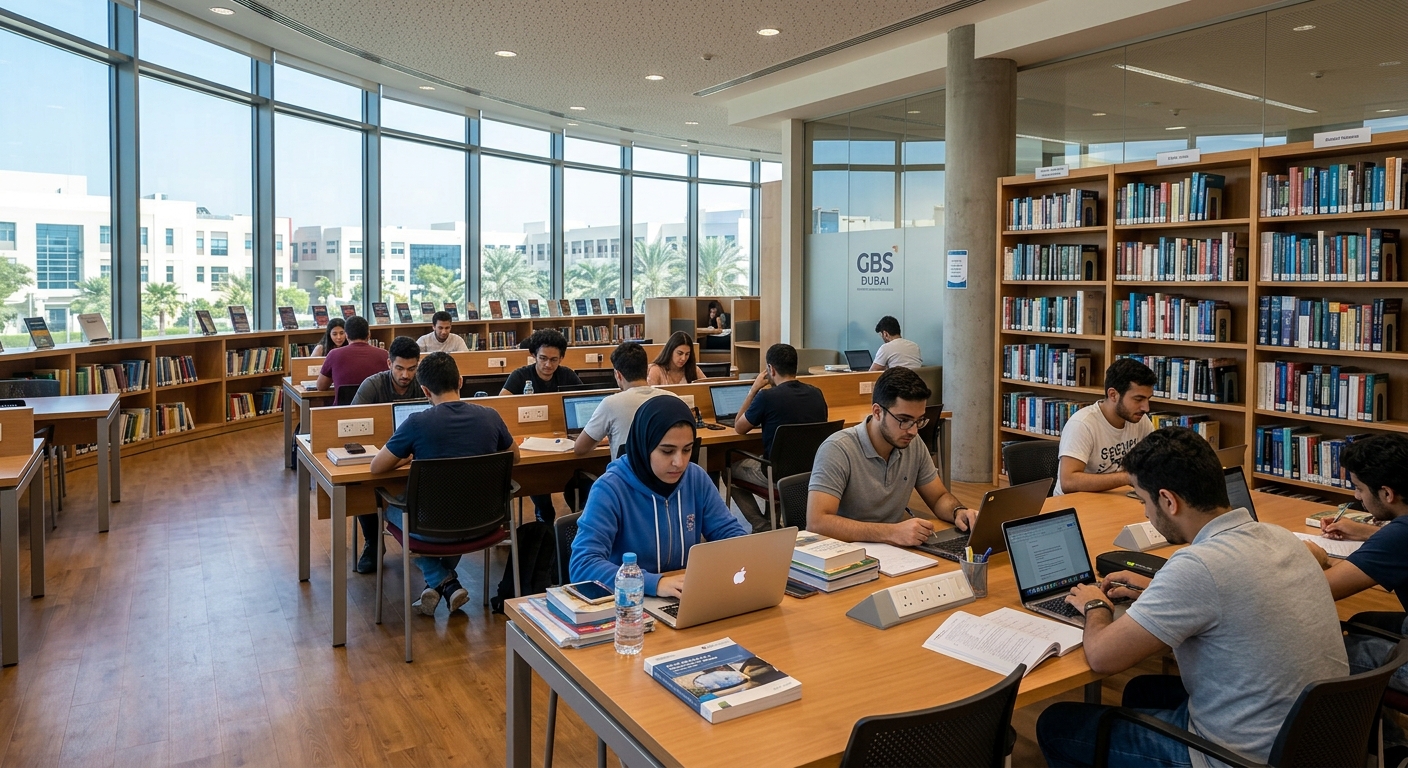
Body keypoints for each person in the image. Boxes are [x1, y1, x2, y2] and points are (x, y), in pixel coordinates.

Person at [1035, 427, 1348, 768]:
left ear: (1168, 501)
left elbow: (1101, 657)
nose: (1144, 514)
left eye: (1143, 500)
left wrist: (1095, 603)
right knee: (1142, 690)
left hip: (1240, 759)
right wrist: (1159, 586)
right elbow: (1227, 593)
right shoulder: (1282, 538)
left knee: (1058, 723)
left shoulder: (1199, 567)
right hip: (1318, 742)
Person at [367, 352, 519, 616]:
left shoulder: (416, 422)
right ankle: (446, 585)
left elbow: (376, 467)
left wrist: (408, 459)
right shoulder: (491, 416)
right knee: (450, 513)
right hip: (485, 521)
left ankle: (442, 581)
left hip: (433, 525)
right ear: (460, 381)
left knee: (391, 509)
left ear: (425, 390)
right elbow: (514, 456)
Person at [569, 396, 747, 598]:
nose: (679, 462)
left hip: (682, 594)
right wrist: (654, 582)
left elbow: (727, 532)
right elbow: (583, 566)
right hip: (629, 603)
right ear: (645, 446)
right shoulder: (610, 488)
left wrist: (749, 555)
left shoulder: (695, 478)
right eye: (667, 451)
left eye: (687, 450)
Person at [1304, 432, 1408, 761]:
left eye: (1360, 489)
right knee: (1362, 622)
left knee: (1322, 651)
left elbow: (1320, 590)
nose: (1356, 497)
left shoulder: (1399, 538)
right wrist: (1368, 532)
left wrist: (1316, 558)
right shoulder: (1398, 533)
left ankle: (1390, 750)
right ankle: (1382, 737)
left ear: (1387, 494)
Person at [806, 366, 973, 545]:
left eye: (919, 421)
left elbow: (939, 497)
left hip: (894, 552)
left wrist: (959, 512)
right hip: (848, 554)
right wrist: (891, 532)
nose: (913, 430)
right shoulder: (838, 449)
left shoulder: (912, 444)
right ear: (877, 412)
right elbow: (817, 523)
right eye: (904, 420)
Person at [729, 343, 829, 532]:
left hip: (776, 474)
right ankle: (770, 522)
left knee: (728, 468)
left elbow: (739, 427)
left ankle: (761, 525)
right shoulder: (817, 393)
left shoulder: (766, 397)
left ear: (771, 369)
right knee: (775, 458)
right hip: (810, 472)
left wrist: (753, 390)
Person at [500, 328, 581, 522]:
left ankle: (572, 519)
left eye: (554, 360)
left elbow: (582, 402)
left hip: (560, 440)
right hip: (529, 443)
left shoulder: (567, 375)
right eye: (543, 358)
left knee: (573, 475)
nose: (548, 365)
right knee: (538, 480)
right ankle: (544, 516)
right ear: (533, 355)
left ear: (561, 358)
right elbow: (501, 406)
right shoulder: (520, 376)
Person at [1053, 358, 1155, 495]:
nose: (1146, 408)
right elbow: (1068, 482)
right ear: (1113, 395)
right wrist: (1127, 477)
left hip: (1115, 498)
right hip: (1075, 505)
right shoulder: (1082, 424)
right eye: (1138, 399)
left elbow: (1154, 460)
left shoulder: (1139, 420)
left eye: (1148, 399)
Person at [574, 342, 670, 459]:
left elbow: (580, 448)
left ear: (618, 375)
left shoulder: (611, 404)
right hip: (663, 474)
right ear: (647, 371)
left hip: (625, 476)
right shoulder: (671, 399)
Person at [315, 316, 388, 396]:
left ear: (346, 335)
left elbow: (321, 386)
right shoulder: (385, 355)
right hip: (377, 407)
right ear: (369, 334)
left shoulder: (334, 354)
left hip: (344, 407)